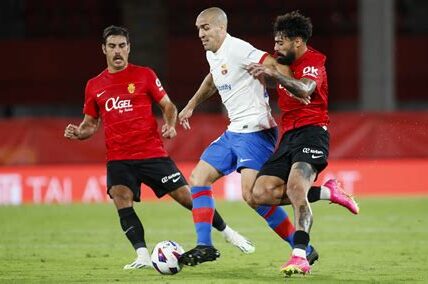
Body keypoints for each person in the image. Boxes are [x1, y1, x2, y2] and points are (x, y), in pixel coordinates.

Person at [63, 25, 255, 270]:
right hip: (119, 158)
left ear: (129, 48)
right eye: (112, 46)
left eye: (122, 45)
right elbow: (90, 124)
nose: (118, 51)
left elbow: (168, 106)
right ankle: (142, 255)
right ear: (104, 49)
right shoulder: (94, 85)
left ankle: (228, 232)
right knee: (121, 198)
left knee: (188, 197)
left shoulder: (144, 75)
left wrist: (170, 124)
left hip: (151, 153)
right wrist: (80, 133)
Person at [177, 7, 357, 267]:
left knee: (255, 197)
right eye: (198, 29)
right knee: (198, 178)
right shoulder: (212, 54)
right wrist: (192, 104)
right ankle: (205, 246)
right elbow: (213, 78)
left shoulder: (239, 48)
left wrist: (289, 83)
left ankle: (307, 244)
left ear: (220, 27)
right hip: (234, 130)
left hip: (256, 131)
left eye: (205, 28)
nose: (201, 34)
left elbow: (272, 63)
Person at [247, 11, 359, 277]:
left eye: (280, 42)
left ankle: (300, 255)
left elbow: (306, 89)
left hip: (312, 133)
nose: (275, 48)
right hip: (288, 137)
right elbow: (281, 83)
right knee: (259, 195)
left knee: (296, 188)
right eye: (275, 43)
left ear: (297, 41)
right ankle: (328, 193)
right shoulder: (284, 64)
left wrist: (273, 74)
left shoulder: (313, 61)